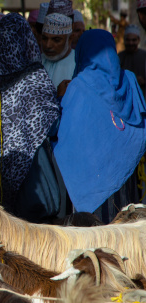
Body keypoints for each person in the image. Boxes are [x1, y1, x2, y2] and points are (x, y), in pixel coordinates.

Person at [0, 13, 61, 223]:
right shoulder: (35, 75)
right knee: (31, 227)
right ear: (26, 38)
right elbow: (52, 122)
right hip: (31, 165)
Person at [54, 29, 146, 223]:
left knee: (95, 243)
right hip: (125, 178)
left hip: (88, 185)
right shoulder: (129, 79)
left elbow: (65, 139)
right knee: (124, 232)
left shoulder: (77, 87)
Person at [41, 13, 76, 94]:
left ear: (70, 39)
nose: (48, 45)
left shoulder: (78, 64)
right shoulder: (36, 63)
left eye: (56, 40)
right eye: (44, 38)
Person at [119, 25, 146, 98]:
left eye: (133, 40)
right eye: (128, 40)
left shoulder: (144, 56)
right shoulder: (119, 57)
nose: (130, 43)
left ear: (138, 40)